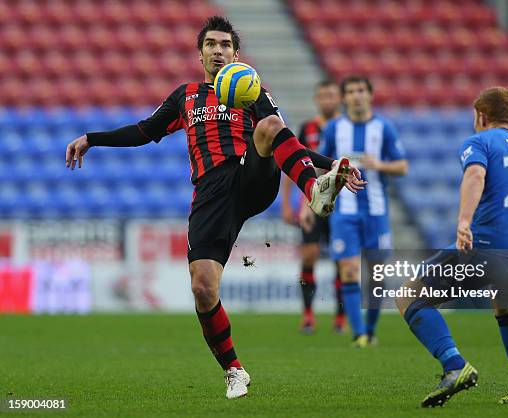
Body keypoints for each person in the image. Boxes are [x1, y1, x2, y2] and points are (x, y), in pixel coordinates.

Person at [65, 16, 365, 400]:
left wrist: (328, 165)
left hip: (249, 176)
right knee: (203, 288)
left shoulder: (253, 90)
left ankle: (315, 191)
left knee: (270, 125)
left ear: (236, 54)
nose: (218, 50)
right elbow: (144, 131)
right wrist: (93, 138)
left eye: (225, 44)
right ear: (200, 53)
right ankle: (234, 371)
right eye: (211, 44)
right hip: (209, 193)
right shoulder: (186, 96)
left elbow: (282, 139)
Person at [394, 87, 508, 407]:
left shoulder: (479, 142)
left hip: (488, 245)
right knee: (506, 306)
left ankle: (454, 366)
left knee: (409, 294)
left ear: (481, 116)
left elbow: (475, 175)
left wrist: (463, 222)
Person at [319, 75, 408, 347]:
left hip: (376, 212)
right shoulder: (335, 128)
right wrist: (333, 178)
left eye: (361, 90)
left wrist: (378, 165)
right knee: (348, 270)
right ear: (344, 98)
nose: (356, 96)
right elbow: (322, 164)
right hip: (344, 213)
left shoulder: (384, 128)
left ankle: (370, 329)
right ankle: (358, 334)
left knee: (377, 274)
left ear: (369, 95)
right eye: (351, 91)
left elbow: (402, 166)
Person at [280, 80, 346, 334]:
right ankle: (308, 314)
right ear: (317, 100)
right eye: (323, 96)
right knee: (309, 255)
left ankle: (341, 318)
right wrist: (288, 205)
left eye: (331, 95)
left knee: (343, 261)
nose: (327, 100)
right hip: (311, 202)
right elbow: (290, 164)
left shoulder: (346, 128)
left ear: (339, 98)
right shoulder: (307, 128)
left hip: (342, 205)